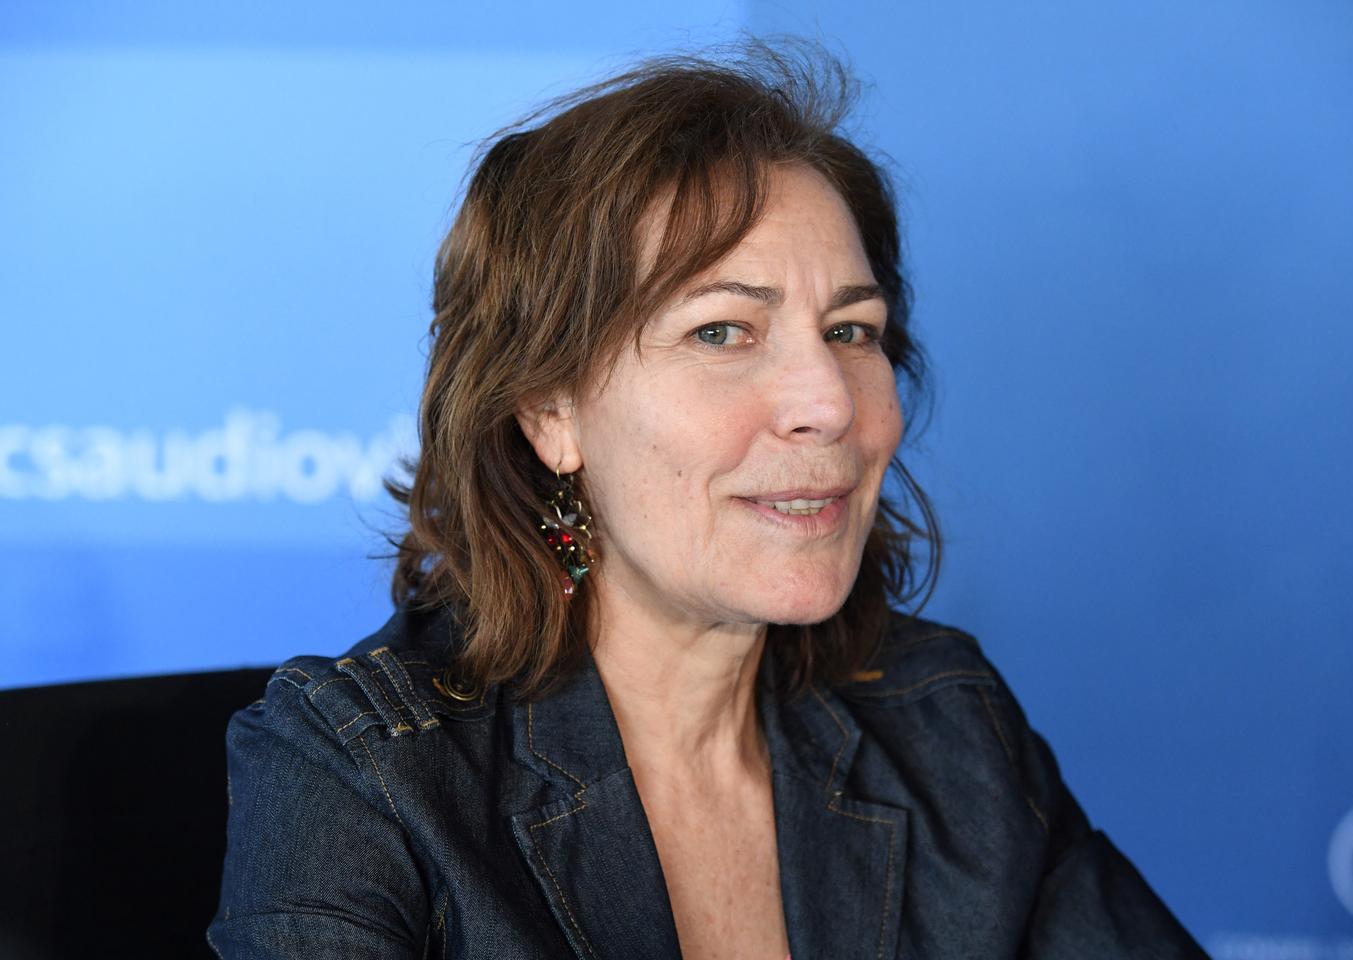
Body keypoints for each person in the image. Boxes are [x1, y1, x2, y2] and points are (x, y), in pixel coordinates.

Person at [209, 44, 1209, 959]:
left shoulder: (945, 725)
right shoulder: (364, 773)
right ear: (550, 411)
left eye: (852, 332)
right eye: (723, 332)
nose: (829, 404)